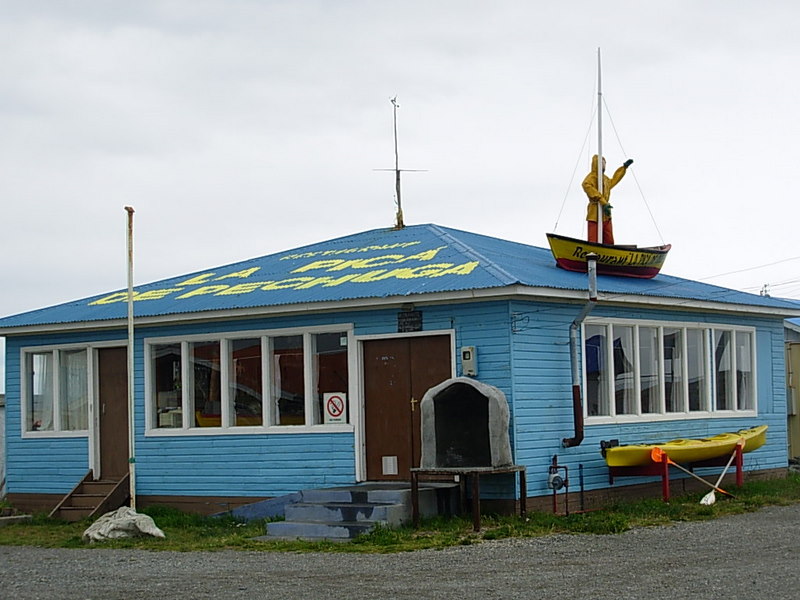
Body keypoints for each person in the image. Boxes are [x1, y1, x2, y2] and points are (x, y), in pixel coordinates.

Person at [582, 154, 633, 245]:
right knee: (593, 236)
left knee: (608, 236)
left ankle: (608, 252)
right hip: (595, 210)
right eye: (601, 162)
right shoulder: (590, 178)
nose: (603, 164)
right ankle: (593, 250)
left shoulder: (605, 179)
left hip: (605, 212)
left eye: (604, 162)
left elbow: (615, 180)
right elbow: (587, 187)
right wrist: (603, 202)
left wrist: (623, 168)